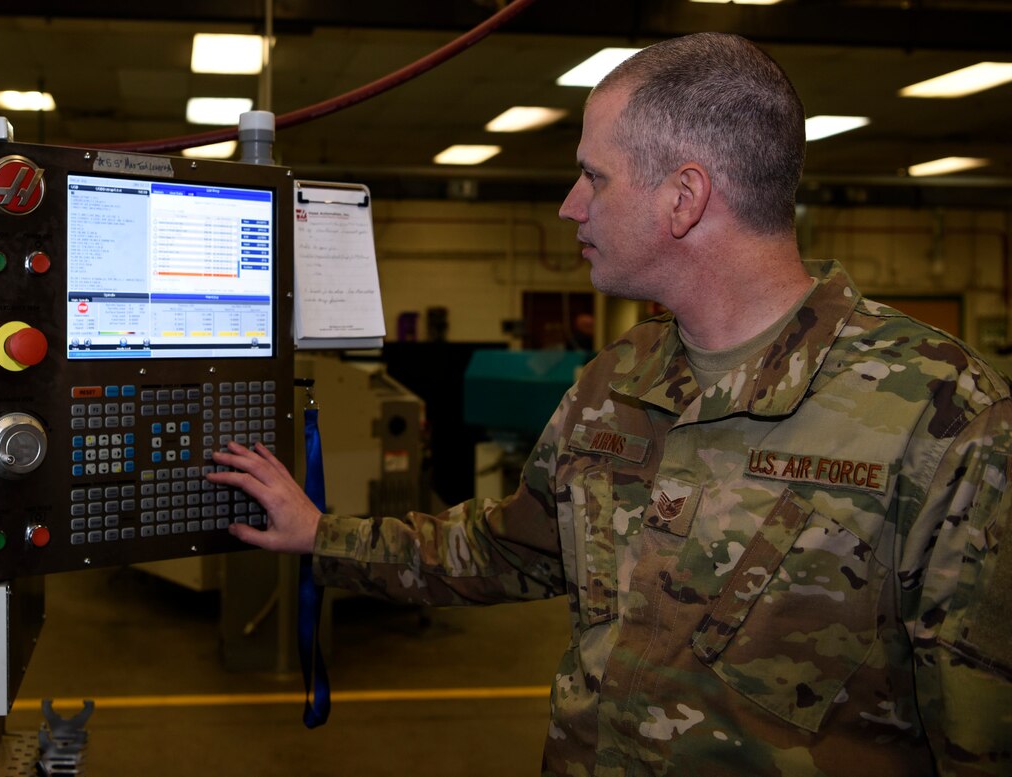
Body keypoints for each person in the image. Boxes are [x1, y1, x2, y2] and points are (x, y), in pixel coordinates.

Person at [207, 32, 1012, 776]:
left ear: (684, 197)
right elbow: (513, 549)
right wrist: (323, 535)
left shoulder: (942, 415)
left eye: (594, 176)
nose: (570, 204)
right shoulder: (614, 383)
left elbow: (983, 732)